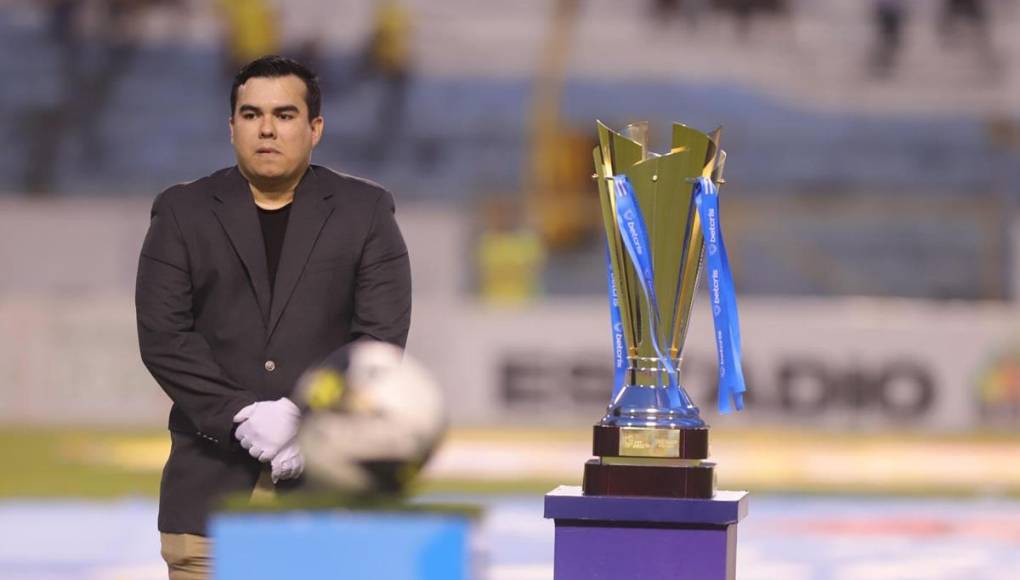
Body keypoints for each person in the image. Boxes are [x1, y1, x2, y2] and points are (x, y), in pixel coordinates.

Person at [135, 55, 412, 580]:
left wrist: (306, 416)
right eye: (251, 114)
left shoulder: (366, 211)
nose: (266, 128)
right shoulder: (181, 212)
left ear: (315, 129)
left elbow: (378, 342)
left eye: (285, 115)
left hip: (330, 502)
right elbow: (164, 338)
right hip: (208, 505)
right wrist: (241, 414)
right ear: (231, 126)